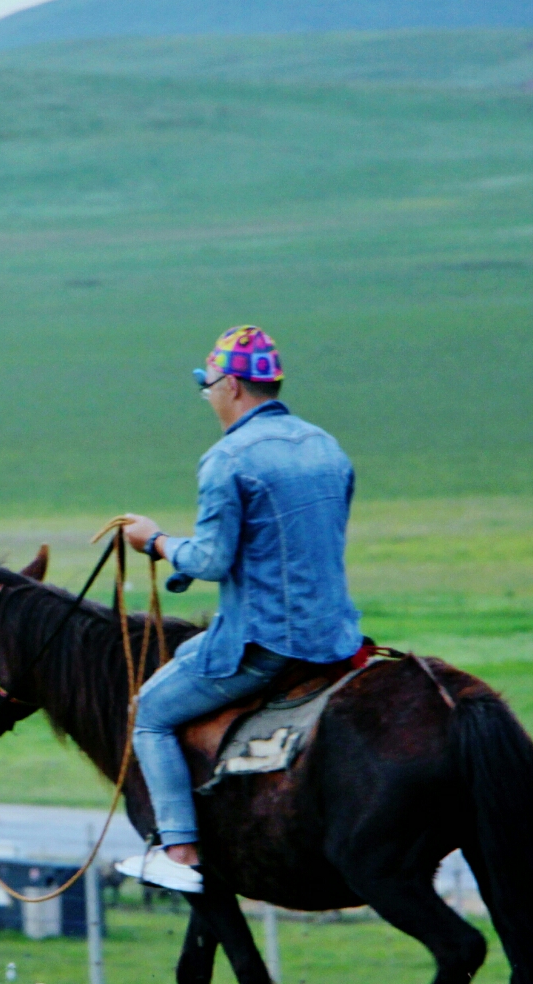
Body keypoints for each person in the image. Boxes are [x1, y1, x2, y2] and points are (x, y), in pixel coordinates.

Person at [113, 326, 363, 893]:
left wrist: (154, 541)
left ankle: (178, 851)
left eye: (208, 388)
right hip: (337, 634)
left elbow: (212, 559)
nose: (208, 398)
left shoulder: (227, 459)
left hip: (267, 642)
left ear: (231, 386)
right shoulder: (326, 445)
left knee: (149, 710)